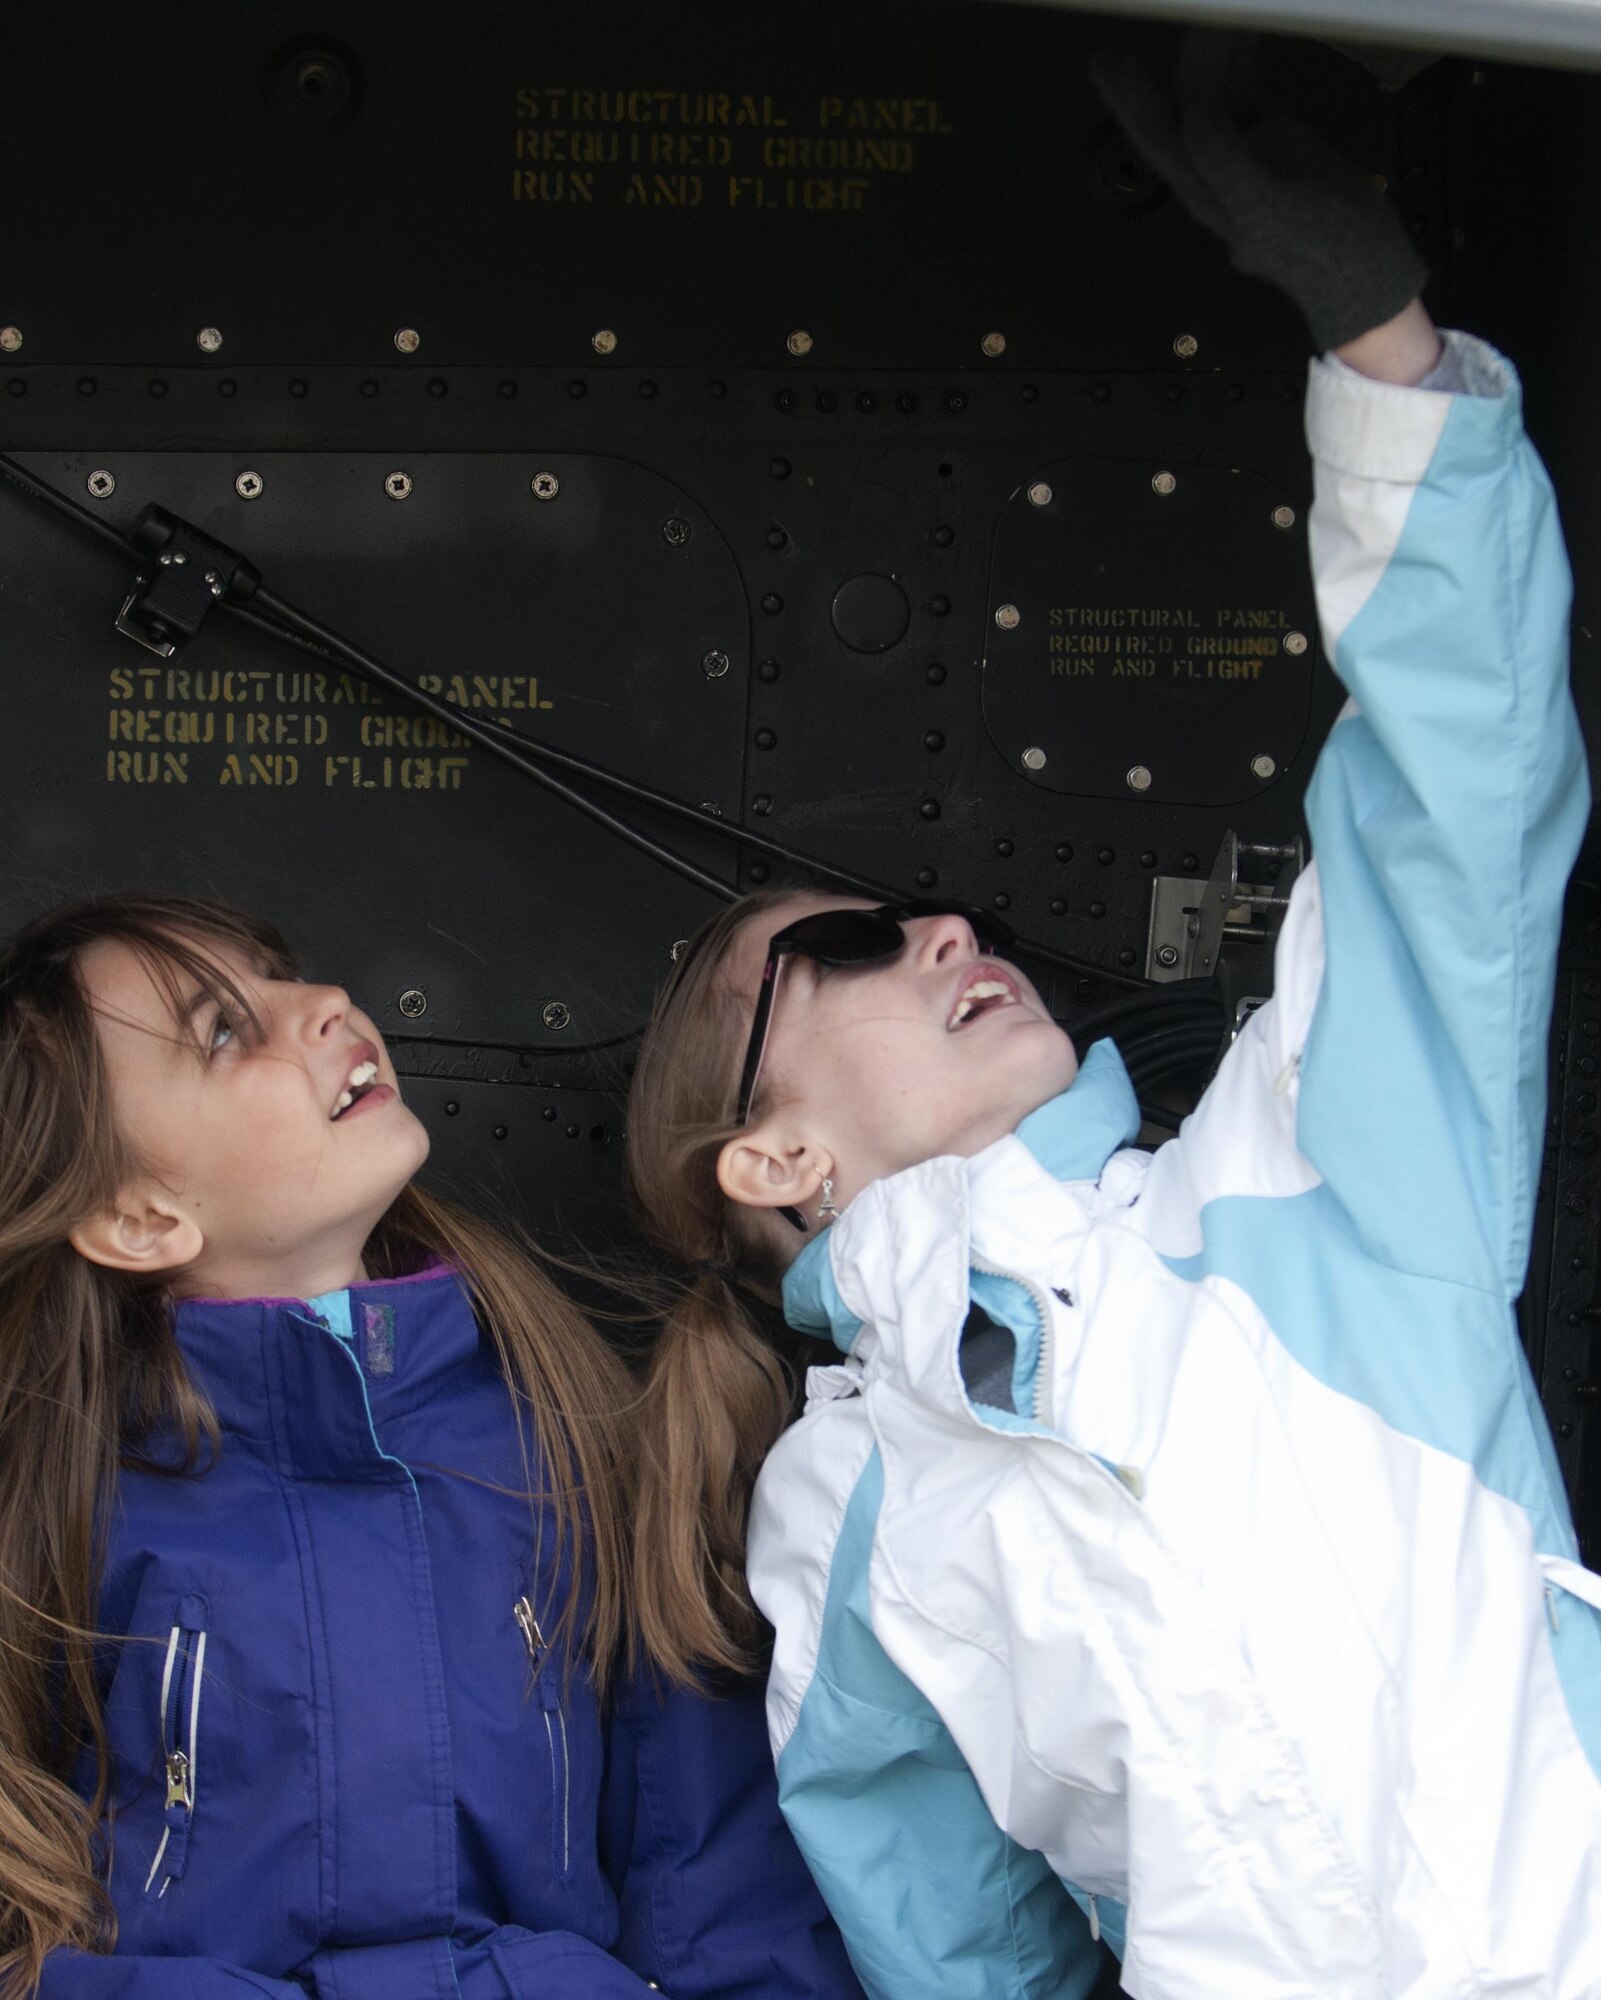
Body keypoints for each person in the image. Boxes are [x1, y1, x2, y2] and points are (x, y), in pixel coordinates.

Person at [623, 53, 1601, 2000]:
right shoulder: (835, 1518)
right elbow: (959, 1951)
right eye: (845, 943)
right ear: (771, 1154)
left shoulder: (1298, 1178)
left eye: (931, 911)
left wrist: (1385, 358)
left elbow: (1450, 806)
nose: (944, 927)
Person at [0, 890, 863, 2000]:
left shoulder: (564, 1436)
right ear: (141, 1219)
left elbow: (711, 1870)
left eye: (283, 970)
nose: (322, 1000)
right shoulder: (66, 1512)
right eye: (222, 1031)